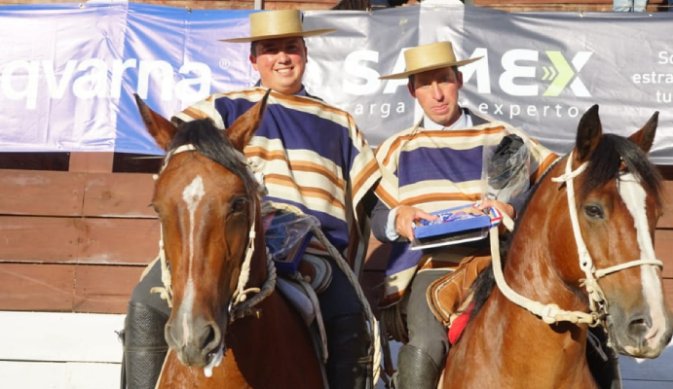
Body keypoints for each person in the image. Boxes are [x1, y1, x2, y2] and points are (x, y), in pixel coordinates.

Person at [120, 10, 380, 389]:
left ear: (305, 52)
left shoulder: (339, 121)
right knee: (146, 299)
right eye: (270, 50)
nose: (283, 58)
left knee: (349, 310)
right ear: (253, 59)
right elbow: (181, 148)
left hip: (313, 245)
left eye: (291, 47)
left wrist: (403, 213)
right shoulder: (223, 108)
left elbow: (375, 195)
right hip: (230, 234)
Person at [370, 41, 556, 388]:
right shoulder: (398, 147)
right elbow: (378, 220)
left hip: (500, 263)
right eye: (425, 84)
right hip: (433, 267)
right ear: (413, 91)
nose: (437, 94)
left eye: (443, 80)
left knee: (574, 333)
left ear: (459, 79)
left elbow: (549, 188)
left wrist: (512, 207)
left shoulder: (503, 136)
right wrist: (400, 217)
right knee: (426, 343)